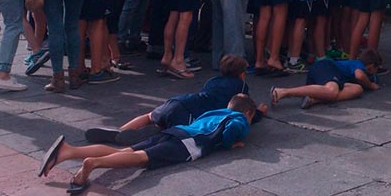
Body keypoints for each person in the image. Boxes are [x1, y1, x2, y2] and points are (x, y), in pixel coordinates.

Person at [38, 93, 258, 196]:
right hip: (189, 144)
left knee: (127, 150)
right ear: (248, 112)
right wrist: (232, 143)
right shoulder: (238, 119)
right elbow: (232, 131)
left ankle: (68, 152)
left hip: (177, 131)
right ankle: (92, 163)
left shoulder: (216, 111)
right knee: (143, 158)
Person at [84, 55, 267, 145]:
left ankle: (121, 130)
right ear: (242, 74)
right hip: (187, 113)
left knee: (150, 116)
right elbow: (242, 109)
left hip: (179, 101)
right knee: (166, 129)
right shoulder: (241, 86)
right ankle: (142, 137)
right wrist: (259, 113)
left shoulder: (213, 80)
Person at [270, 48, 381, 109]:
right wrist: (371, 85)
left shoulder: (357, 67)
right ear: (371, 66)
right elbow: (359, 76)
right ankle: (283, 92)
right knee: (331, 91)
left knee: (357, 89)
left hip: (331, 76)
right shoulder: (358, 64)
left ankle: (315, 99)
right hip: (327, 67)